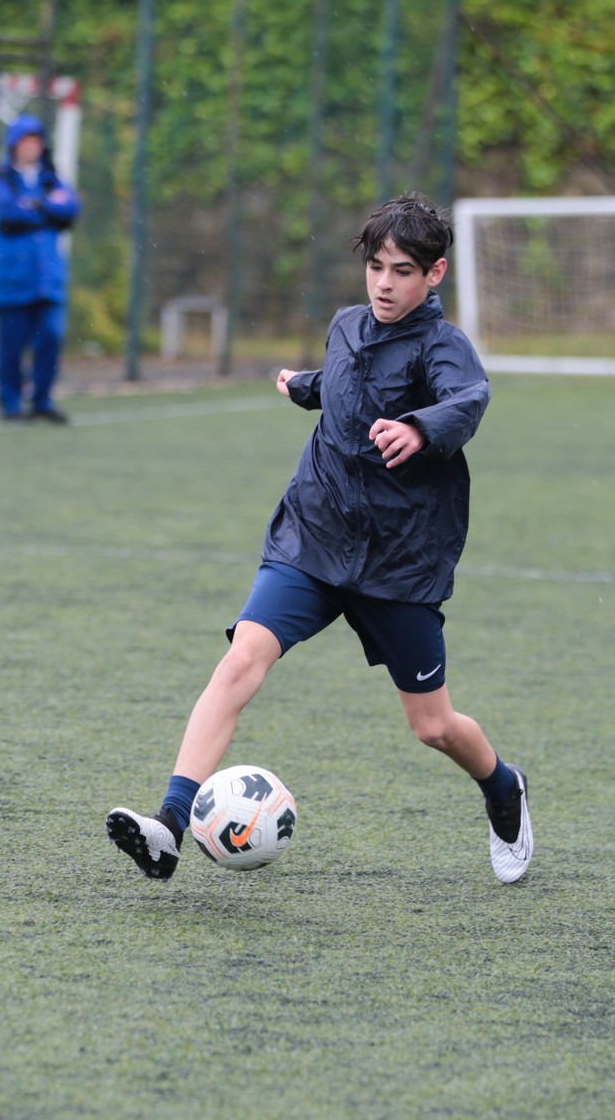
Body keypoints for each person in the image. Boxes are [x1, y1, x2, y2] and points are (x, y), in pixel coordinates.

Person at [105, 194, 535, 885]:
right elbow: (344, 384)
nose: (384, 284)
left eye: (402, 271)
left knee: (433, 726)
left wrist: (420, 427)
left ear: (435, 274)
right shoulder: (346, 326)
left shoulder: (443, 346)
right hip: (314, 534)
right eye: (376, 267)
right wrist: (304, 386)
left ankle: (503, 786)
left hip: (399, 559)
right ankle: (170, 826)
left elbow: (468, 399)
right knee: (241, 660)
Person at [0, 114, 78, 423]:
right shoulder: (1, 180)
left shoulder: (51, 179)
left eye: (36, 141)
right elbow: (9, 214)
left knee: (51, 336)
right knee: (12, 345)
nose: (31, 147)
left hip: (47, 279)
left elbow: (70, 209)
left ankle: (42, 399)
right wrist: (46, 207)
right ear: (15, 145)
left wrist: (36, 205)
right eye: (26, 141)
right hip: (12, 280)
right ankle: (11, 403)